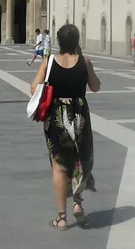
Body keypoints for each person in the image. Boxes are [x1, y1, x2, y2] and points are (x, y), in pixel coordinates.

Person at [29, 24, 101, 230]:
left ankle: (62, 219)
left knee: (59, 167)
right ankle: (77, 203)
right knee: (80, 161)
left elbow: (34, 87)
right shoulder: (85, 62)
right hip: (80, 117)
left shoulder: (49, 61)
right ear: (77, 41)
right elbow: (95, 87)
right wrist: (86, 64)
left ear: (59, 41)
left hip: (57, 117)